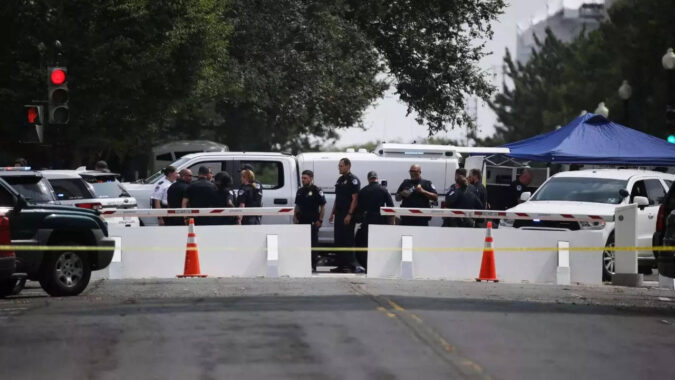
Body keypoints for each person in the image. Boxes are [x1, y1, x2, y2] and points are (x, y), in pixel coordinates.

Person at [328, 158, 363, 273]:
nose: (339, 168)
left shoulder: (353, 180)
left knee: (347, 240)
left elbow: (355, 199)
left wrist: (349, 214)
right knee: (338, 239)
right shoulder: (340, 180)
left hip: (347, 214)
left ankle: (349, 265)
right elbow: (337, 198)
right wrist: (332, 213)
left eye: (341, 166)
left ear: (348, 166)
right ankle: (341, 265)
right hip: (338, 213)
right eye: (339, 166)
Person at [355, 171, 394, 269]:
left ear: (368, 179)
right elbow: (391, 207)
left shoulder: (363, 190)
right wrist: (391, 224)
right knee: (379, 244)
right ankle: (379, 266)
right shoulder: (384, 190)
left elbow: (359, 208)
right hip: (380, 221)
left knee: (364, 243)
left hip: (367, 220)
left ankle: (367, 266)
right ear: (377, 178)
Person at [293, 170, 326, 271]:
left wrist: (320, 220)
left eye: (305, 178)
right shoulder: (300, 191)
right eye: (302, 178)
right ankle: (302, 263)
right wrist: (295, 216)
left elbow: (323, 206)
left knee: (313, 244)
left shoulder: (316, 190)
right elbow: (297, 205)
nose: (303, 180)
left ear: (311, 178)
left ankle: (313, 265)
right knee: (302, 243)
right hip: (301, 220)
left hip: (312, 221)